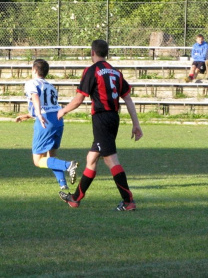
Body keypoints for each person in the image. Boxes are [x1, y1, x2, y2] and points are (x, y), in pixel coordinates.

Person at [57, 40, 143, 211]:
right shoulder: (116, 72)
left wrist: (63, 111)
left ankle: (128, 201)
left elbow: (79, 99)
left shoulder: (92, 70)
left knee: (111, 160)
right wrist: (136, 124)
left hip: (101, 119)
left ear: (92, 53)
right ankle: (75, 198)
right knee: (92, 158)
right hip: (113, 118)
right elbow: (127, 98)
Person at [15, 59, 78, 190]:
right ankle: (63, 185)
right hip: (58, 120)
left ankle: (68, 165)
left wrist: (38, 114)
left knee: (38, 161)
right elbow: (49, 107)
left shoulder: (31, 83)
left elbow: (35, 97)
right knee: (52, 156)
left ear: (34, 70)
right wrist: (27, 116)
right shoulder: (50, 86)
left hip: (45, 121)